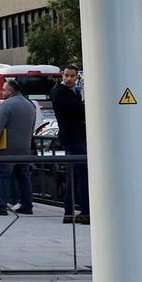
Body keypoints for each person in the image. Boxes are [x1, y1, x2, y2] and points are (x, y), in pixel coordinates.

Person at [0, 78, 37, 216]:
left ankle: (0, 206)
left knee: (2, 176)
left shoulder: (6, 105)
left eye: (3, 89)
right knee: (23, 177)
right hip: (25, 148)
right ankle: (27, 205)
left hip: (7, 148)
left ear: (10, 91)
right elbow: (32, 128)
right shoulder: (30, 105)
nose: (1, 92)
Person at [51, 66, 90, 224]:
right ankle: (86, 211)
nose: (68, 78)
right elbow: (79, 110)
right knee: (83, 175)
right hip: (74, 138)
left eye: (72, 76)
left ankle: (69, 212)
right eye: (66, 75)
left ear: (76, 77)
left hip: (74, 137)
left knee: (74, 176)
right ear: (62, 75)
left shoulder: (71, 92)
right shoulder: (60, 92)